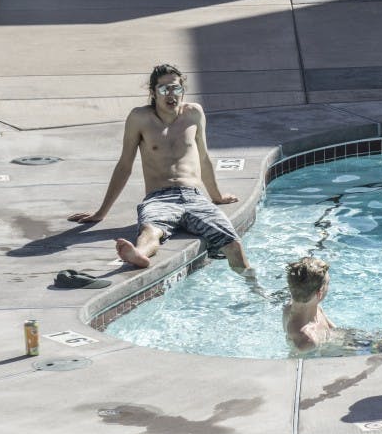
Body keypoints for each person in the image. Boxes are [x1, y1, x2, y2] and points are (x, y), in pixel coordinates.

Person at [67, 63, 257, 284]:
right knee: (151, 230)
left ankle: (255, 289)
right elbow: (124, 166)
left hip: (194, 196)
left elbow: (203, 158)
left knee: (232, 243)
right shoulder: (140, 118)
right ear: (152, 92)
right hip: (159, 198)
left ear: (182, 91)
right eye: (164, 89)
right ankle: (139, 255)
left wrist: (216, 196)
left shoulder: (194, 113)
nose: (171, 94)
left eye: (176, 89)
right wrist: (101, 212)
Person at [283, 256, 336, 353]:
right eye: (328, 284)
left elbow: (337, 333)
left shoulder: (313, 308)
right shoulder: (306, 341)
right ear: (320, 293)